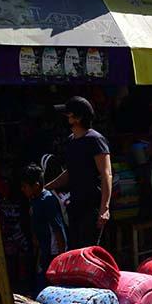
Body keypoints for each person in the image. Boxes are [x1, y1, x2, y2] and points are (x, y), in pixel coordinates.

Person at [46, 96, 112, 249]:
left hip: (92, 205)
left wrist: (105, 208)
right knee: (76, 249)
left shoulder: (95, 140)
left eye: (68, 115)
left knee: (90, 251)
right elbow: (71, 171)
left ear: (79, 118)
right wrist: (47, 187)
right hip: (76, 205)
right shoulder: (71, 140)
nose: (65, 118)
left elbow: (106, 174)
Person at [21, 163, 68, 293]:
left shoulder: (48, 200)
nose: (23, 189)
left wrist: (61, 256)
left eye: (25, 186)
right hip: (42, 249)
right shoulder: (34, 200)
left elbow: (58, 229)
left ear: (36, 186)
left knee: (50, 284)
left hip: (53, 251)